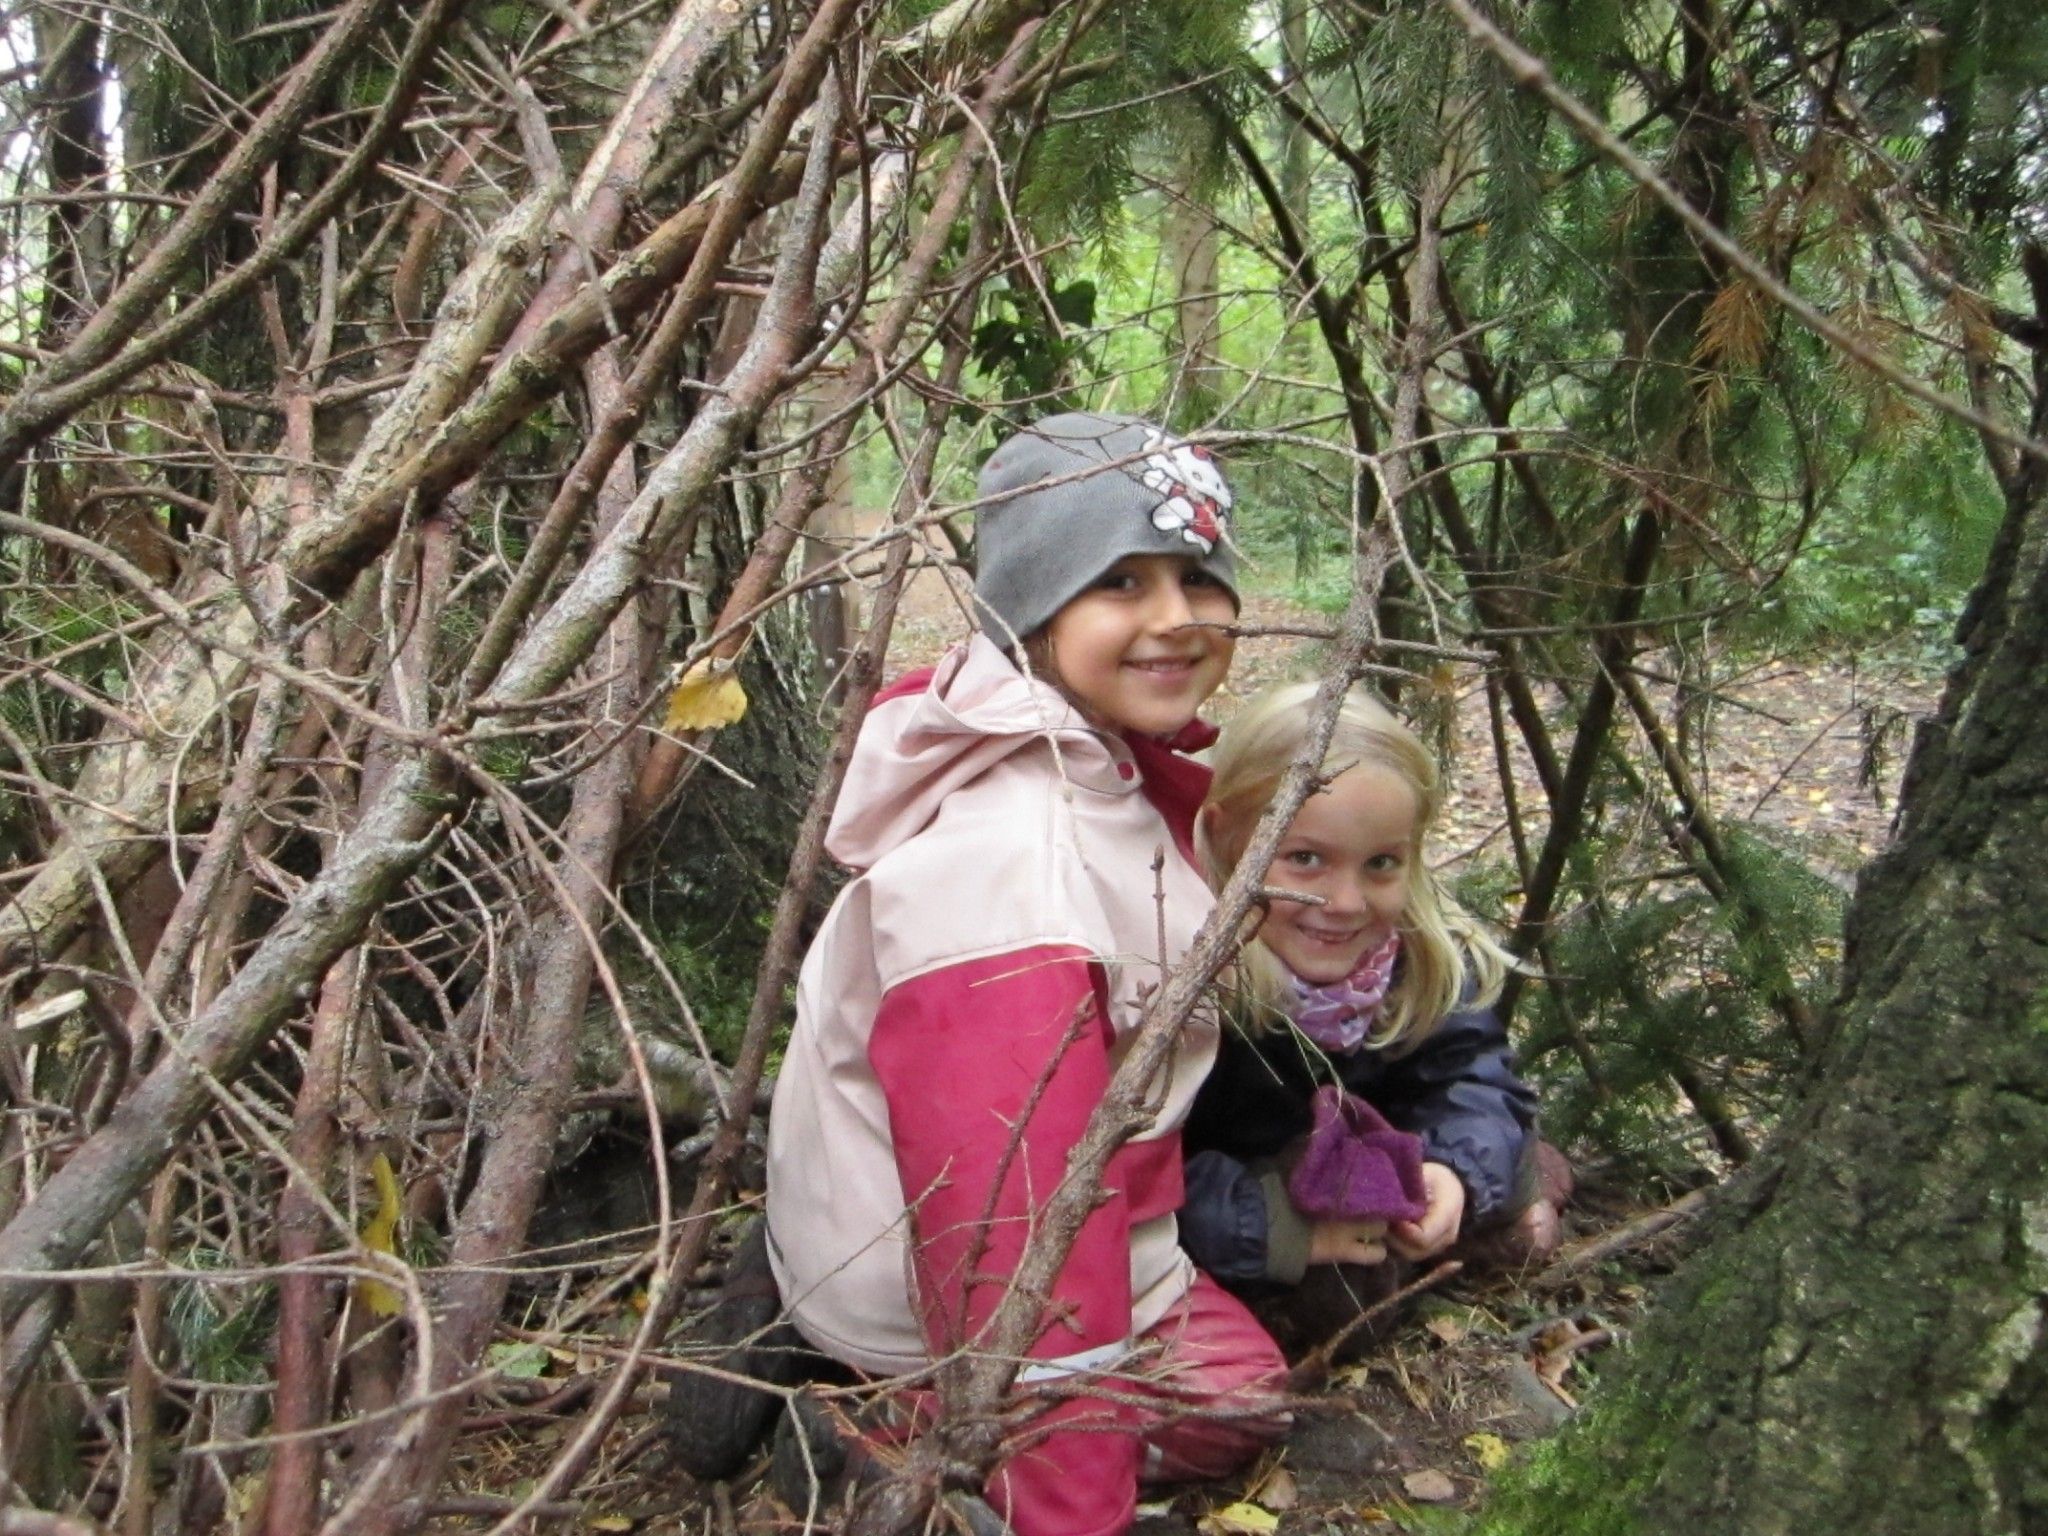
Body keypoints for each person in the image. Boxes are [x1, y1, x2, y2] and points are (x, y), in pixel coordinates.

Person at [761, 414, 1288, 1536]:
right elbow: (1010, 1221)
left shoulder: (1091, 758)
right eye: (1118, 583)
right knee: (1232, 1405)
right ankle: (894, 1433)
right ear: (1032, 612)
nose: (1174, 617)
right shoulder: (1013, 872)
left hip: (1000, 1205)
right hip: (955, 1273)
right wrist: (1066, 1509)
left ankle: (807, 1319)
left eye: (1198, 574)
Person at [1179, 683, 1569, 1348]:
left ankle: (1456, 1228)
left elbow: (1471, 1078)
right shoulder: (1184, 972)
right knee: (1333, 1302)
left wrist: (1454, 1178)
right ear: (1226, 837)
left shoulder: (1418, 958)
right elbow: (1144, 1169)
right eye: (1305, 859)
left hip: (1381, 1182)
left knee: (1512, 1157)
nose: (1346, 901)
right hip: (1250, 1202)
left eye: (1382, 864)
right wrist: (1275, 1225)